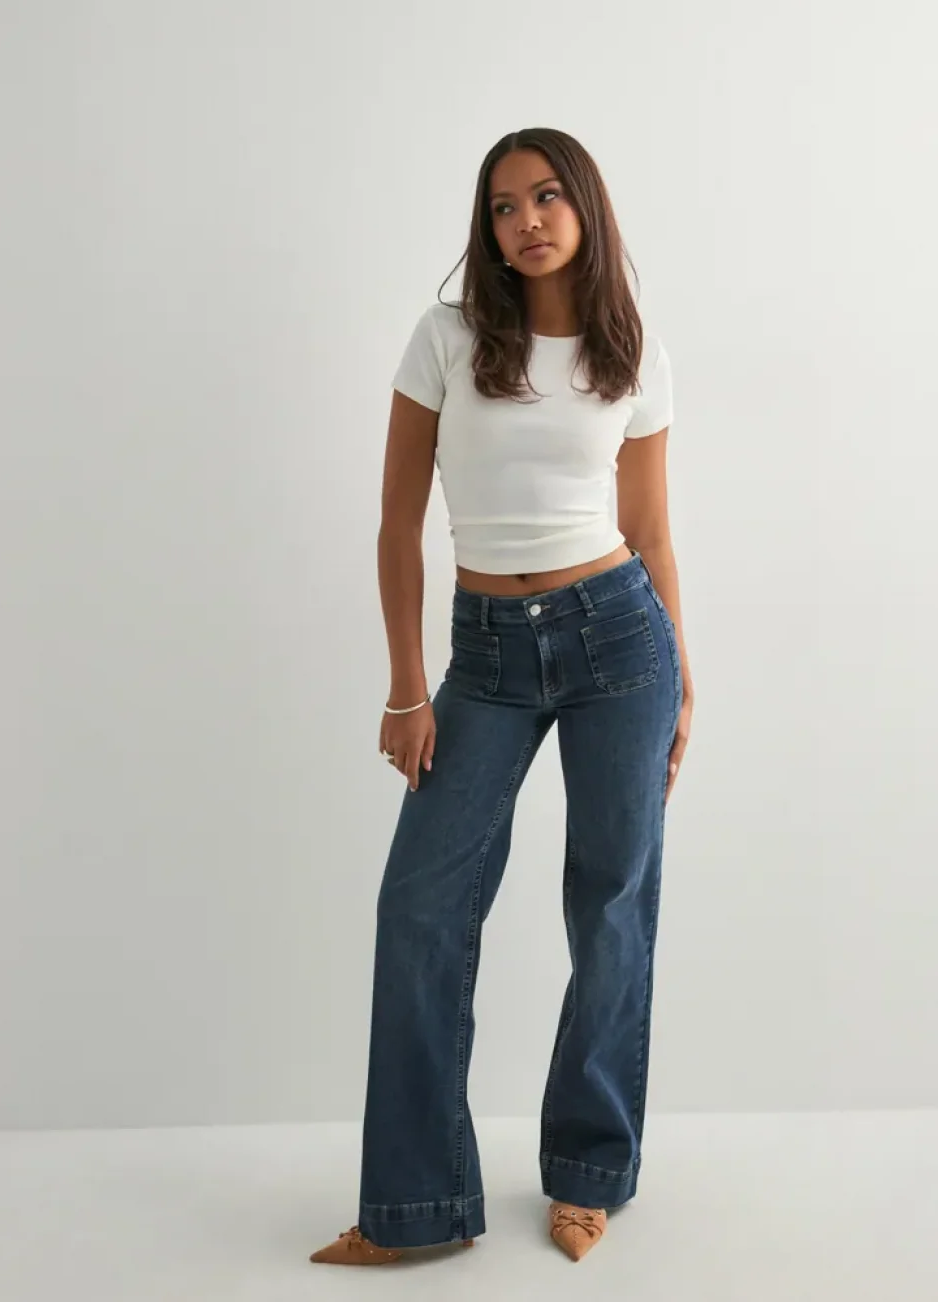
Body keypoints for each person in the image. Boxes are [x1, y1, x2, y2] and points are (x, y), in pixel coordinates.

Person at [310, 126, 694, 1267]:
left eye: (546, 197)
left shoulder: (633, 349)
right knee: (420, 910)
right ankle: (415, 1206)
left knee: (610, 904)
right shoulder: (448, 338)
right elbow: (398, 524)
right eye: (502, 206)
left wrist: (684, 675)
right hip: (482, 656)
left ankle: (589, 1174)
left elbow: (651, 530)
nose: (525, 221)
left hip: (618, 638)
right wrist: (404, 690)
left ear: (586, 208)